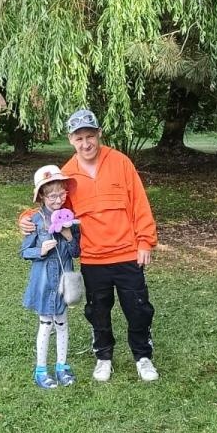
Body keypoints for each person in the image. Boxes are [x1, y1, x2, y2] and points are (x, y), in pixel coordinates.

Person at [24, 109, 159, 382]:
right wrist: (26, 218)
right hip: (93, 258)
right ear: (71, 140)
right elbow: (52, 207)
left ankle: (142, 356)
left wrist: (145, 241)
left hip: (127, 253)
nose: (85, 143)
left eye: (90, 136)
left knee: (138, 307)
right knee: (98, 310)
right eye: (79, 138)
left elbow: (140, 205)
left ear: (99, 134)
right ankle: (103, 356)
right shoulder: (67, 174)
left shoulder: (121, 162)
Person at [21, 165, 81, 388]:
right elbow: (24, 251)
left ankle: (62, 366)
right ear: (41, 196)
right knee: (46, 325)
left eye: (61, 194)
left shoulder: (70, 220)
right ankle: (41, 370)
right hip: (45, 281)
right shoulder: (34, 221)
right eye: (52, 195)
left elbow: (76, 252)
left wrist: (68, 235)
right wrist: (41, 250)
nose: (57, 200)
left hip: (64, 281)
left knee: (62, 324)